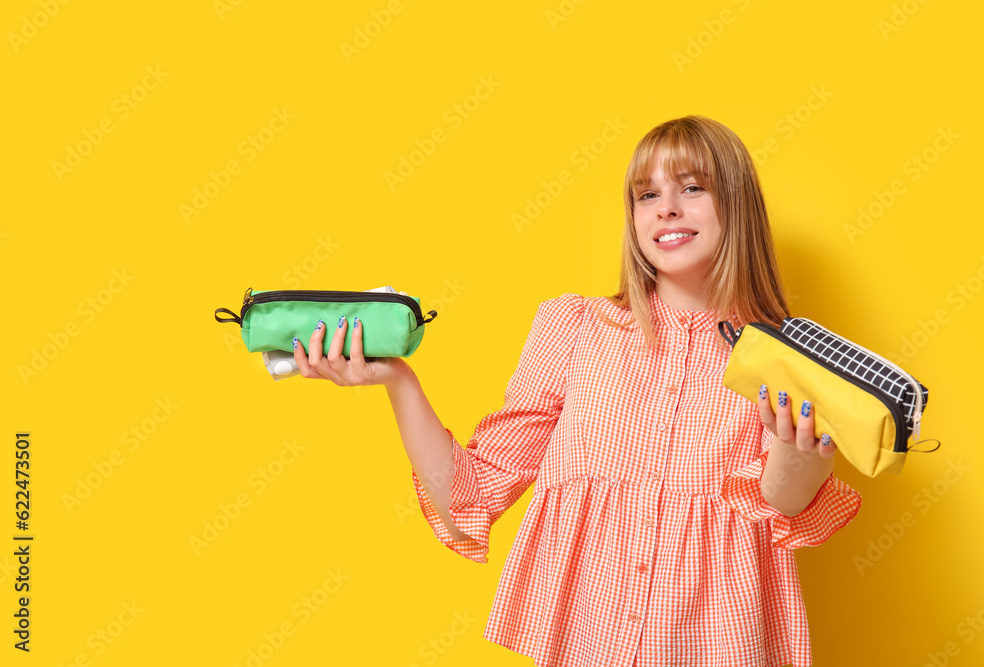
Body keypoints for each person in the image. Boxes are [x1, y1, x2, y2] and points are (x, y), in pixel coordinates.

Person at [290, 115, 863, 667]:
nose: (666, 208)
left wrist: (795, 461)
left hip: (720, 646)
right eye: (646, 194)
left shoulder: (790, 357)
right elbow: (468, 501)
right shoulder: (574, 327)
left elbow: (783, 509)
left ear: (736, 206)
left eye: (692, 187)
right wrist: (399, 382)